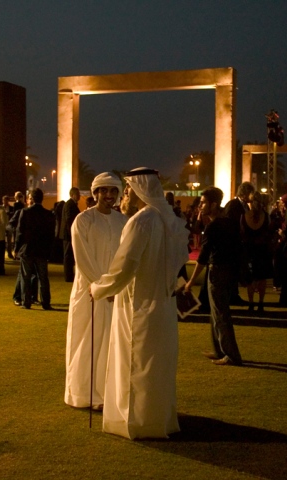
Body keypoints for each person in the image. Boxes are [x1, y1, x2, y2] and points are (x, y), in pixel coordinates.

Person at [90, 167, 189, 440]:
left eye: (129, 188)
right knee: (156, 365)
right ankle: (159, 420)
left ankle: (136, 422)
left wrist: (98, 288)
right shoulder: (167, 219)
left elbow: (125, 267)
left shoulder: (143, 221)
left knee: (136, 364)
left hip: (138, 304)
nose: (126, 194)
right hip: (163, 305)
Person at [65, 172, 127, 409]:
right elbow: (83, 258)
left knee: (111, 342)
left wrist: (116, 284)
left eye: (113, 191)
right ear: (96, 193)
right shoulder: (83, 220)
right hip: (89, 290)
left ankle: (107, 394)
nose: (109, 195)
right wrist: (101, 286)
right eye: (104, 191)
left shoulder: (122, 221)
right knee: (87, 339)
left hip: (115, 290)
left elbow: (124, 257)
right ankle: (84, 394)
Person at [185, 186, 243, 366]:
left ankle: (230, 354)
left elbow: (203, 257)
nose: (200, 206)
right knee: (216, 311)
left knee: (220, 313)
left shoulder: (214, 226)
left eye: (203, 203)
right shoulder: (228, 222)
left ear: (214, 204)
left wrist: (191, 282)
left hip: (217, 270)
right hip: (227, 270)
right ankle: (220, 349)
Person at [14, 188, 55, 310]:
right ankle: (46, 302)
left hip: (28, 249)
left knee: (26, 276)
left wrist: (16, 248)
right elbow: (51, 234)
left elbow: (20, 232)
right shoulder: (48, 214)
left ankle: (26, 302)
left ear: (32, 198)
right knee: (43, 277)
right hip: (42, 250)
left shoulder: (25, 212)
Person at [241, 191, 274, 312]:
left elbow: (242, 234)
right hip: (263, 251)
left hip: (249, 251)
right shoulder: (266, 216)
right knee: (262, 278)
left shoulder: (244, 216)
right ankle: (261, 302)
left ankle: (251, 303)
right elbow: (269, 233)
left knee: (250, 279)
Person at [224, 181, 255, 305]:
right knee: (232, 271)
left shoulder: (245, 206)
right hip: (233, 243)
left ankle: (234, 295)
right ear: (245, 193)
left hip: (240, 243)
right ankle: (232, 296)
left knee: (236, 271)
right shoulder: (233, 205)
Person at [63, 187, 81, 282]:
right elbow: (69, 219)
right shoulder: (70, 205)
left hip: (68, 233)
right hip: (68, 234)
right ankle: (68, 276)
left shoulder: (70, 204)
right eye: (78, 194)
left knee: (69, 255)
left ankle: (69, 275)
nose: (80, 196)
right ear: (73, 195)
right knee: (68, 255)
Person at [2, 195, 14, 259]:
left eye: (6, 200)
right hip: (2, 226)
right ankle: (2, 254)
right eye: (4, 200)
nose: (5, 201)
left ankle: (9, 253)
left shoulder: (11, 208)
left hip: (9, 225)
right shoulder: (0, 208)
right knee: (2, 240)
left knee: (9, 241)